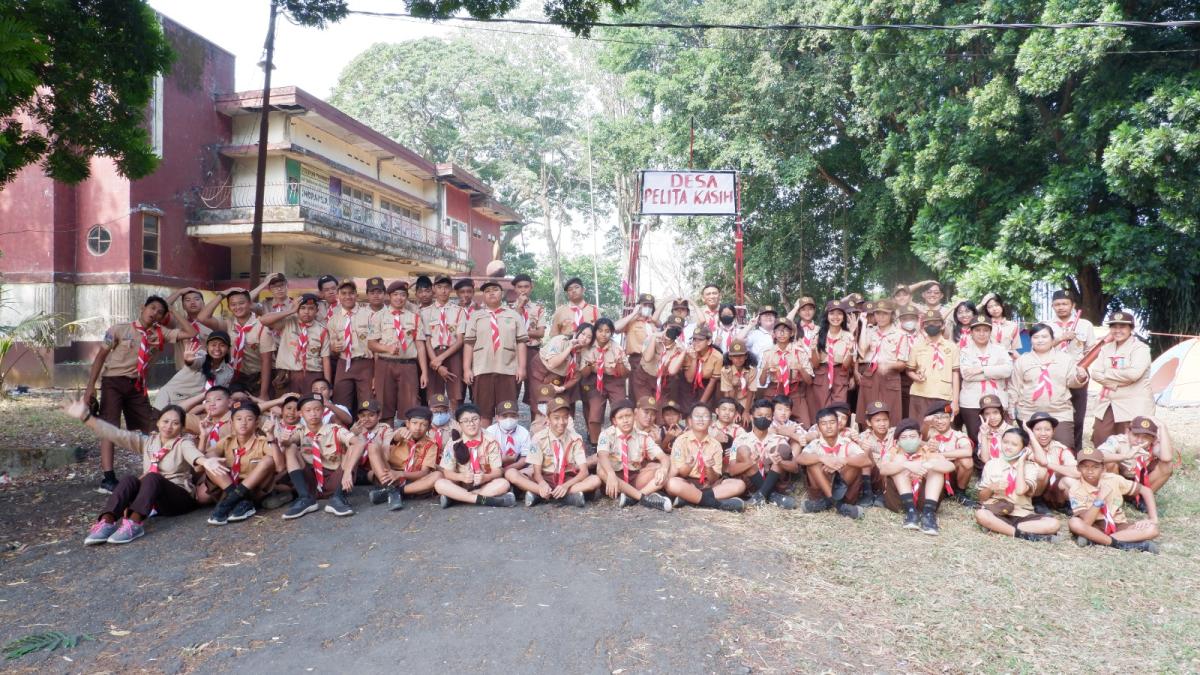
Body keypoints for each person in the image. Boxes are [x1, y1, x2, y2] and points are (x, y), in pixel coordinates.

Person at [85, 295, 195, 493]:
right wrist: (90, 387)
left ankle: (162, 470)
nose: (155, 313)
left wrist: (174, 310)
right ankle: (108, 479)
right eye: (152, 308)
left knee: (153, 425)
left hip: (137, 386)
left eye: (160, 312)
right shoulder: (119, 330)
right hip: (113, 382)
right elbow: (100, 357)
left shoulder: (161, 333)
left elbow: (191, 332)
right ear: (142, 308)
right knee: (109, 427)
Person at [68, 399, 214, 546]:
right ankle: (107, 522)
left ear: (182, 427)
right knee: (129, 479)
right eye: (165, 421)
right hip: (153, 500)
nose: (169, 426)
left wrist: (205, 461)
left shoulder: (183, 443)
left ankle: (134, 523)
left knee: (152, 477)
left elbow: (193, 455)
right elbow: (116, 434)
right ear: (158, 423)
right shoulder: (149, 442)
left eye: (175, 423)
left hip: (178, 500)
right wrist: (86, 417)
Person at [1053, 447, 1159, 553]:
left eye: (1095, 467)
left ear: (1103, 468)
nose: (1090, 471)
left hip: (1118, 524)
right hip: (1094, 526)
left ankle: (1097, 540)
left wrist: (1153, 518)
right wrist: (1099, 498)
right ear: (1078, 468)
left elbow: (1145, 490)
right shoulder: (1076, 488)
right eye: (1085, 467)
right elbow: (1087, 522)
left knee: (1152, 529)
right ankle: (1122, 544)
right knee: (1074, 523)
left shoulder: (1113, 479)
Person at [278, 395, 366, 519]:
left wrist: (347, 473)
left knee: (353, 447)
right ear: (300, 414)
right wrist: (285, 440)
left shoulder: (335, 429)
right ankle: (305, 498)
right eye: (308, 410)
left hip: (335, 481)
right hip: (311, 483)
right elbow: (290, 441)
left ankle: (338, 498)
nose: (313, 413)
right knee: (291, 448)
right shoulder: (300, 431)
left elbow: (360, 443)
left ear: (323, 410)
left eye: (317, 409)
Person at [974, 427, 1061, 542]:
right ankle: (1023, 535)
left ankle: (1000, 528)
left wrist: (1021, 464)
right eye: (1005, 442)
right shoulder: (991, 464)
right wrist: (991, 488)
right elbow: (982, 498)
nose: (1008, 447)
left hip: (1023, 515)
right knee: (981, 514)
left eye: (1014, 444)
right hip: (997, 511)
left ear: (1024, 448)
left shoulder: (1031, 467)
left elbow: (1020, 490)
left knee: (1053, 524)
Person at [508, 396, 599, 507]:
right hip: (545, 477)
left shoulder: (576, 438)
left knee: (595, 480)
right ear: (548, 419)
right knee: (511, 473)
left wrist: (566, 486)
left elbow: (584, 472)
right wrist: (542, 483)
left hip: (567, 478)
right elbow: (537, 472)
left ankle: (542, 495)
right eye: (556, 418)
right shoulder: (539, 438)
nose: (561, 422)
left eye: (565, 417)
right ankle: (559, 495)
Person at [1011, 323, 1088, 449]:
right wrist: (1011, 409)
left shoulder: (1065, 359)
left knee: (1064, 448)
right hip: (1029, 412)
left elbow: (1071, 382)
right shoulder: (1022, 361)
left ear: (1052, 339)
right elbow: (1014, 387)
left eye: (1044, 336)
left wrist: (1080, 377)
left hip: (1059, 412)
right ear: (1030, 340)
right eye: (1036, 337)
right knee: (1031, 450)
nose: (1040, 340)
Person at [203, 400, 281, 525]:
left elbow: (280, 467)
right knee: (211, 459)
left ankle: (229, 503)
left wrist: (271, 436)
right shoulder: (227, 441)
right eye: (238, 419)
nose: (243, 423)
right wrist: (204, 438)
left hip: (253, 491)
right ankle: (241, 502)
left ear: (256, 423)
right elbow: (201, 465)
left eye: (249, 419)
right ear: (231, 423)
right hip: (228, 489)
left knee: (268, 460)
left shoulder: (262, 442)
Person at [875, 417, 954, 534]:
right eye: (904, 437)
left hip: (925, 500)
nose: (909, 440)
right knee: (899, 461)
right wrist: (907, 465)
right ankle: (911, 511)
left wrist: (928, 465)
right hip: (898, 501)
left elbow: (950, 466)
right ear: (898, 441)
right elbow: (883, 469)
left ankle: (928, 514)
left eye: (912, 436)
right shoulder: (893, 452)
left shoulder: (927, 451)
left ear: (920, 437)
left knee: (936, 467)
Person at [1089, 310, 1154, 447]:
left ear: (1131, 328)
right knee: (1101, 438)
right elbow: (1095, 373)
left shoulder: (1140, 348)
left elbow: (1134, 374)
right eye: (1114, 326)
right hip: (1108, 401)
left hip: (1133, 402)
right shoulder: (1106, 348)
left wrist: (1107, 373)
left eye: (1122, 327)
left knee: (1130, 441)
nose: (1117, 330)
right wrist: (1117, 382)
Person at [367, 280, 429, 425]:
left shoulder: (414, 317)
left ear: (406, 297)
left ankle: (408, 437)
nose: (399, 298)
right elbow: (371, 344)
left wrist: (424, 373)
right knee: (384, 405)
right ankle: (386, 435)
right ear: (389, 296)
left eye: (402, 295)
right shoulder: (379, 316)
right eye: (395, 294)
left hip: (408, 366)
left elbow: (420, 346)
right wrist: (387, 348)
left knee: (410, 406)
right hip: (385, 365)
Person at [665, 403, 746, 511]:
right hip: (687, 483)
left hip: (709, 485)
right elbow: (682, 473)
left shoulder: (716, 444)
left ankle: (688, 499)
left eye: (705, 416)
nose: (701, 419)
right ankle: (716, 504)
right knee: (672, 483)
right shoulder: (681, 441)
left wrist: (709, 468)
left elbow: (714, 479)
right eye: (697, 416)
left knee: (739, 485)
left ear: (711, 422)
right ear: (690, 421)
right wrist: (688, 465)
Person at [197, 288, 274, 400]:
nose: (237, 307)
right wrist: (222, 294)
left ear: (250, 304)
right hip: (236, 375)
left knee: (259, 405)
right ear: (229, 307)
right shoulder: (228, 324)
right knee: (235, 403)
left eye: (241, 303)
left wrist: (264, 393)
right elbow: (202, 317)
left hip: (260, 376)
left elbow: (266, 361)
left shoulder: (262, 325)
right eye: (233, 304)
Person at [433, 404, 515, 508]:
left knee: (503, 483)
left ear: (480, 420)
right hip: (461, 484)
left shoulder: (491, 441)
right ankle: (488, 500)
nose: (471, 424)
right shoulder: (453, 442)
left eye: (475, 419)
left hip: (485, 484)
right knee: (440, 484)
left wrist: (486, 477)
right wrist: (460, 477)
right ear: (458, 424)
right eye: (465, 421)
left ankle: (456, 498)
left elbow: (497, 471)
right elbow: (447, 472)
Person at [595, 400, 671, 511]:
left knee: (664, 470)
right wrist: (611, 474)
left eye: (628, 416)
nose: (625, 420)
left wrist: (663, 469)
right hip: (613, 480)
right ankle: (643, 499)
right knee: (601, 469)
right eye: (620, 417)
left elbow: (663, 457)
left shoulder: (642, 436)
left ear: (634, 416)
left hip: (634, 478)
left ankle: (633, 498)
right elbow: (602, 455)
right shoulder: (607, 434)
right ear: (614, 421)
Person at [365, 406, 442, 511]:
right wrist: (400, 433)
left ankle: (394, 492)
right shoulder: (402, 434)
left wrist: (402, 474)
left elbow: (424, 472)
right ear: (407, 423)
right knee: (372, 447)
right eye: (414, 423)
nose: (418, 428)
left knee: (437, 475)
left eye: (423, 424)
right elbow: (395, 438)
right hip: (391, 474)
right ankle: (392, 489)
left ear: (429, 427)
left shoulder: (431, 445)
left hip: (412, 480)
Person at [797, 407, 869, 518]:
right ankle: (838, 505)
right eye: (824, 424)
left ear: (837, 424)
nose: (829, 426)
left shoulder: (847, 442)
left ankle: (826, 503)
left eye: (832, 422)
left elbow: (866, 461)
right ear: (818, 427)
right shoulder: (815, 444)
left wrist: (843, 460)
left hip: (844, 493)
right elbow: (800, 458)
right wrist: (822, 458)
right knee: (813, 462)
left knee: (854, 462)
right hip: (820, 492)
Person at [1048, 290, 1096, 452]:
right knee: (1054, 415)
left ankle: (1077, 453)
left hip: (1077, 374)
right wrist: (1061, 338)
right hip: (1053, 376)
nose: (1061, 307)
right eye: (1057, 304)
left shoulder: (1085, 325)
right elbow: (1040, 348)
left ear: (1073, 305)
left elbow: (1091, 350)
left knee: (1078, 417)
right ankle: (1056, 451)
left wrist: (1083, 368)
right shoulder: (1047, 325)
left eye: (1065, 304)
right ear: (1052, 306)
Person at [259, 293, 332, 395]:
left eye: (311, 308)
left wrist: (328, 385)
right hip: (289, 374)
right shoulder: (288, 322)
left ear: (317, 310)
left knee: (311, 403)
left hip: (313, 375)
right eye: (302, 308)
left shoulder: (322, 330)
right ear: (297, 309)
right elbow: (263, 320)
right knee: (288, 402)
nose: (306, 312)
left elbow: (325, 359)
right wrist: (291, 311)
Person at [730, 398, 797, 508]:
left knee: (782, 450)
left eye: (767, 416)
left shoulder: (778, 439)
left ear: (772, 418)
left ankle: (760, 496)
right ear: (751, 417)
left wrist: (780, 462)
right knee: (743, 450)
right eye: (760, 415)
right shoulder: (740, 439)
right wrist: (750, 463)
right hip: (749, 484)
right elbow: (732, 471)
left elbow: (795, 468)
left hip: (774, 483)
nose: (763, 419)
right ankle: (772, 496)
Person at [957, 316, 1012, 442]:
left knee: (999, 438)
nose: (982, 334)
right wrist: (995, 371)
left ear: (990, 332)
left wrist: (981, 369)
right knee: (975, 438)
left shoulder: (1000, 350)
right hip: (972, 401)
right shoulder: (965, 351)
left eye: (985, 330)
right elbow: (966, 375)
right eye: (977, 330)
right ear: (971, 332)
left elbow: (1007, 370)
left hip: (997, 399)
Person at [855, 300, 909, 427]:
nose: (881, 317)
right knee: (868, 414)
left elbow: (903, 364)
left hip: (890, 377)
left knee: (891, 416)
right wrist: (863, 325)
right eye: (878, 313)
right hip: (870, 376)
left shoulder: (900, 335)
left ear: (891, 315)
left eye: (885, 314)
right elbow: (861, 352)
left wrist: (888, 365)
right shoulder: (870, 331)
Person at [1096, 416, 1175, 497]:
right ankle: (1114, 495)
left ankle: (1143, 497)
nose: (1139, 441)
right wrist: (1125, 456)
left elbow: (1167, 458)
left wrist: (1162, 426)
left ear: (1153, 438)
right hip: (1119, 479)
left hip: (1140, 482)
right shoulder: (1118, 440)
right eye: (1136, 435)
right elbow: (1097, 456)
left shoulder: (1152, 445)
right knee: (1109, 463)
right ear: (1128, 432)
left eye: (1146, 437)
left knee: (1167, 465)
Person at [154, 330, 234, 409]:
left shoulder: (229, 372)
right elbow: (194, 363)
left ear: (228, 349)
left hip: (192, 406)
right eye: (213, 345)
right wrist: (189, 361)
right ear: (207, 347)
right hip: (170, 397)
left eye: (222, 345)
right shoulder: (201, 356)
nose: (217, 348)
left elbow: (220, 393)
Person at [326, 280, 374, 412]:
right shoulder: (333, 319)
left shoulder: (369, 315)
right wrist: (334, 348)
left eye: (351, 293)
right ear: (338, 296)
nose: (348, 296)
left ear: (356, 295)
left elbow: (375, 343)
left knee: (367, 403)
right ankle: (344, 425)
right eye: (344, 293)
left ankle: (366, 425)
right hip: (343, 363)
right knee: (341, 403)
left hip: (365, 363)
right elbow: (332, 348)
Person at [581, 317, 630, 444]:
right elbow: (584, 373)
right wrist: (590, 365)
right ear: (595, 331)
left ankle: (620, 441)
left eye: (607, 331)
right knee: (595, 414)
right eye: (600, 330)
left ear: (612, 333)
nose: (604, 334)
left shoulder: (617, 348)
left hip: (615, 381)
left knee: (620, 410)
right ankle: (595, 443)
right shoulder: (588, 347)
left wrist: (620, 363)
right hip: (595, 381)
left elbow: (625, 374)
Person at [422, 276, 468, 409]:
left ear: (451, 289)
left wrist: (440, 359)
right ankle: (435, 421)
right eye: (439, 287)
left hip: (453, 353)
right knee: (434, 397)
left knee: (455, 396)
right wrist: (436, 362)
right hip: (433, 354)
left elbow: (460, 340)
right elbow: (427, 341)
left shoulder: (459, 311)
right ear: (434, 289)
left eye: (446, 287)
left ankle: (455, 421)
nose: (443, 291)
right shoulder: (425, 312)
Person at [905, 310, 960, 421]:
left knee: (943, 425)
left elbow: (955, 374)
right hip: (920, 394)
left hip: (944, 396)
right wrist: (916, 377)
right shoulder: (917, 347)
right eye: (927, 323)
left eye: (935, 323)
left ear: (942, 325)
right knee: (919, 426)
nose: (931, 326)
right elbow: (909, 370)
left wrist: (955, 401)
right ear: (923, 326)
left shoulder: (952, 347)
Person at [760, 318, 813, 425]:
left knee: (805, 424)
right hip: (775, 391)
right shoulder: (768, 353)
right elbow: (762, 382)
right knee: (766, 423)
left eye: (785, 330)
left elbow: (809, 381)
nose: (782, 333)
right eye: (778, 330)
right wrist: (765, 369)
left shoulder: (800, 352)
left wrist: (800, 369)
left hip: (795, 391)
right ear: (774, 333)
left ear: (791, 333)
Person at [811, 301, 857, 419]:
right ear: (827, 315)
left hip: (840, 373)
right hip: (822, 374)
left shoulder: (848, 336)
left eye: (839, 313)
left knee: (839, 410)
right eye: (832, 313)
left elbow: (846, 366)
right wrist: (812, 349)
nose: (835, 317)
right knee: (823, 410)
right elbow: (815, 365)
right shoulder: (818, 335)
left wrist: (851, 350)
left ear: (844, 317)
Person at [922, 402, 975, 503]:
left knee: (967, 461)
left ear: (951, 418)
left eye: (944, 417)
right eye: (936, 418)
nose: (940, 421)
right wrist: (926, 424)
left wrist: (940, 452)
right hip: (933, 474)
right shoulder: (929, 432)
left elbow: (968, 451)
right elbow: (921, 438)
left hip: (952, 475)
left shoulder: (958, 435)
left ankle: (960, 492)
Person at [1025, 412, 1076, 513]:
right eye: (1038, 429)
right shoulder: (1026, 448)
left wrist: (1049, 465)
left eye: (1047, 429)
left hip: (1054, 491)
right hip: (1033, 491)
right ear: (1031, 431)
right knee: (1041, 471)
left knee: (1070, 479)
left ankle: (1062, 503)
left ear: (1053, 431)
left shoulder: (1060, 448)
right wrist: (1031, 438)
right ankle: (1037, 502)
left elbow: (1076, 472)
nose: (1043, 433)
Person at [615, 293, 662, 401]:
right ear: (638, 305)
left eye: (650, 306)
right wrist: (634, 314)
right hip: (637, 361)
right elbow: (615, 328)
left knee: (653, 397)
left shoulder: (653, 323)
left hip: (654, 362)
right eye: (645, 305)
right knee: (637, 397)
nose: (647, 308)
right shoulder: (632, 321)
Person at [509, 274, 547, 407]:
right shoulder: (508, 309)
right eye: (519, 287)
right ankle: (510, 416)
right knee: (512, 389)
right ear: (515, 289)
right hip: (513, 352)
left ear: (531, 287)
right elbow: (509, 330)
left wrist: (519, 333)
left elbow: (541, 333)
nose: (523, 290)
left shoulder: (538, 308)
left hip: (532, 351)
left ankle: (535, 418)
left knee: (534, 389)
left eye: (526, 286)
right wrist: (519, 306)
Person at [635, 317, 686, 406]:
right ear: (665, 326)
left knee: (661, 408)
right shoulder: (652, 337)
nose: (673, 331)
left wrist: (683, 352)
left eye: (677, 330)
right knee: (646, 406)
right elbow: (647, 358)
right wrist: (654, 337)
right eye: (671, 328)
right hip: (644, 378)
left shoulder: (679, 347)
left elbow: (672, 371)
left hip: (663, 381)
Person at [681, 325, 724, 410]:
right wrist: (694, 359)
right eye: (694, 339)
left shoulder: (717, 356)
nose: (696, 343)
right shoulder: (689, 352)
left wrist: (701, 404)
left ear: (709, 341)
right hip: (690, 386)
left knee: (704, 409)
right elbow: (689, 379)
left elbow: (712, 382)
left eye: (700, 340)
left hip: (707, 386)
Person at [170, 287, 211, 369]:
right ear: (183, 306)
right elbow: (162, 306)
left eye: (196, 299)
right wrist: (179, 292)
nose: (192, 302)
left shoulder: (213, 323)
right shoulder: (177, 323)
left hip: (209, 370)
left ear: (203, 303)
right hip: (185, 371)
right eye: (188, 300)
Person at [487, 400, 532, 467]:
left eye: (513, 416)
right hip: (495, 464)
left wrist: (510, 468)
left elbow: (525, 456)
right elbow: (486, 457)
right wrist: (502, 460)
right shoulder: (490, 431)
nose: (509, 419)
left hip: (517, 465)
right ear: (497, 418)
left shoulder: (523, 432)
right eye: (504, 416)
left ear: (518, 416)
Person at [719, 340, 758, 416]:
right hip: (732, 399)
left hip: (747, 400)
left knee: (747, 420)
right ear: (730, 357)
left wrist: (746, 411)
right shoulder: (725, 370)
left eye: (741, 356)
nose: (738, 359)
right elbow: (727, 392)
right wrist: (733, 410)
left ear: (746, 356)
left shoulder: (752, 369)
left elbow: (751, 390)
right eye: (735, 356)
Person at [974, 394, 1009, 466]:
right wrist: (984, 436)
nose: (992, 417)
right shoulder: (982, 432)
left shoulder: (1011, 430)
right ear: (983, 416)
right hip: (990, 468)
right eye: (987, 414)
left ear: (1002, 412)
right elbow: (985, 459)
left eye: (995, 412)